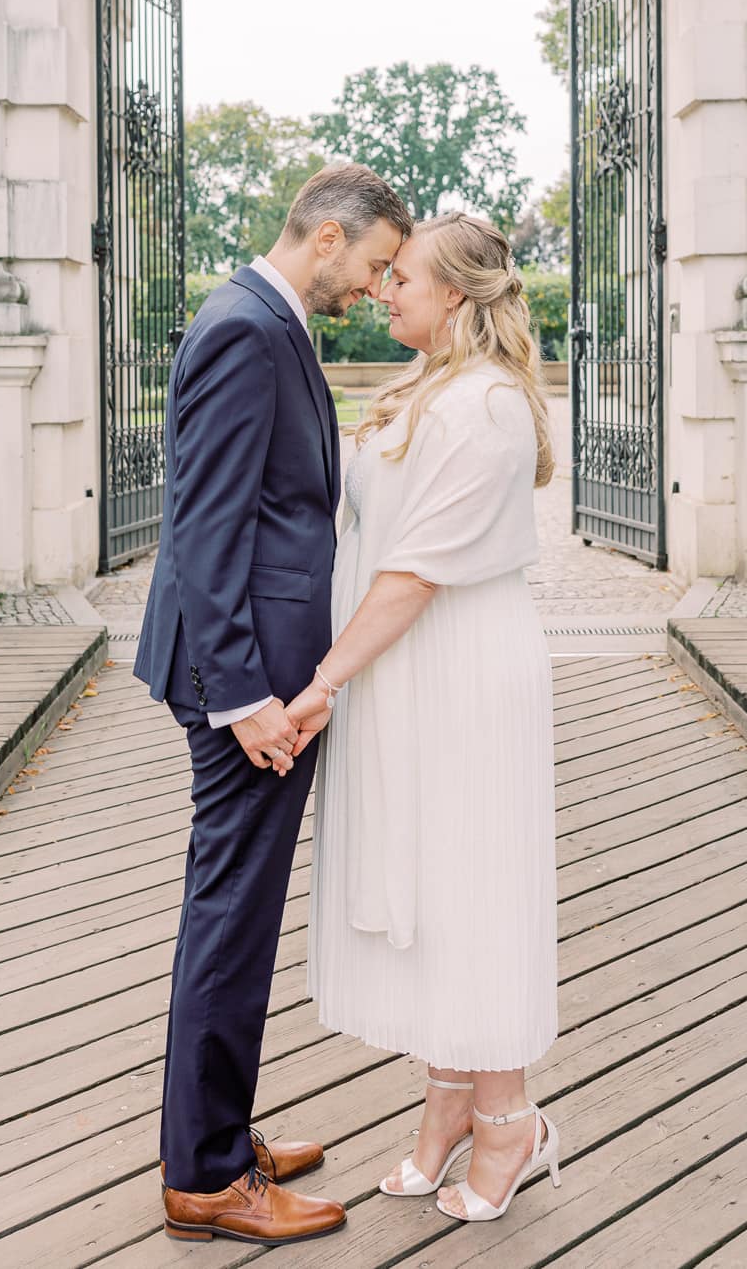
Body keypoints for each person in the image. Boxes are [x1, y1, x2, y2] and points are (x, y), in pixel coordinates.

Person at [133, 163, 412, 1246]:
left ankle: (218, 1131)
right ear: (330, 238)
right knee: (230, 920)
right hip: (238, 685)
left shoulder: (268, 318)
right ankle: (205, 1176)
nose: (377, 287)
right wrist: (246, 696)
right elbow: (204, 529)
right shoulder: (248, 328)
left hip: (256, 674)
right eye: (378, 263)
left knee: (234, 914)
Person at [288, 211, 561, 1225]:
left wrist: (324, 681)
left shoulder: (483, 406)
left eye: (401, 276)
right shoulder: (424, 388)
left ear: (454, 294)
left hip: (461, 673)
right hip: (408, 673)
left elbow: (413, 575)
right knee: (434, 895)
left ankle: (509, 1121)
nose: (383, 289)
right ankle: (447, 1107)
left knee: (474, 890)